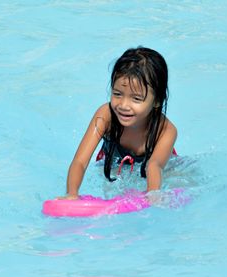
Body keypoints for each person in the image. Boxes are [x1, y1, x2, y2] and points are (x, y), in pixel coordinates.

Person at [63, 46, 177, 199]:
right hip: (116, 164)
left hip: (162, 166)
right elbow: (80, 161)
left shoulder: (165, 131)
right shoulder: (106, 116)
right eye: (117, 94)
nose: (123, 105)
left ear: (156, 101)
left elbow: (154, 166)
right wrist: (72, 194)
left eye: (136, 98)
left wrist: (153, 193)